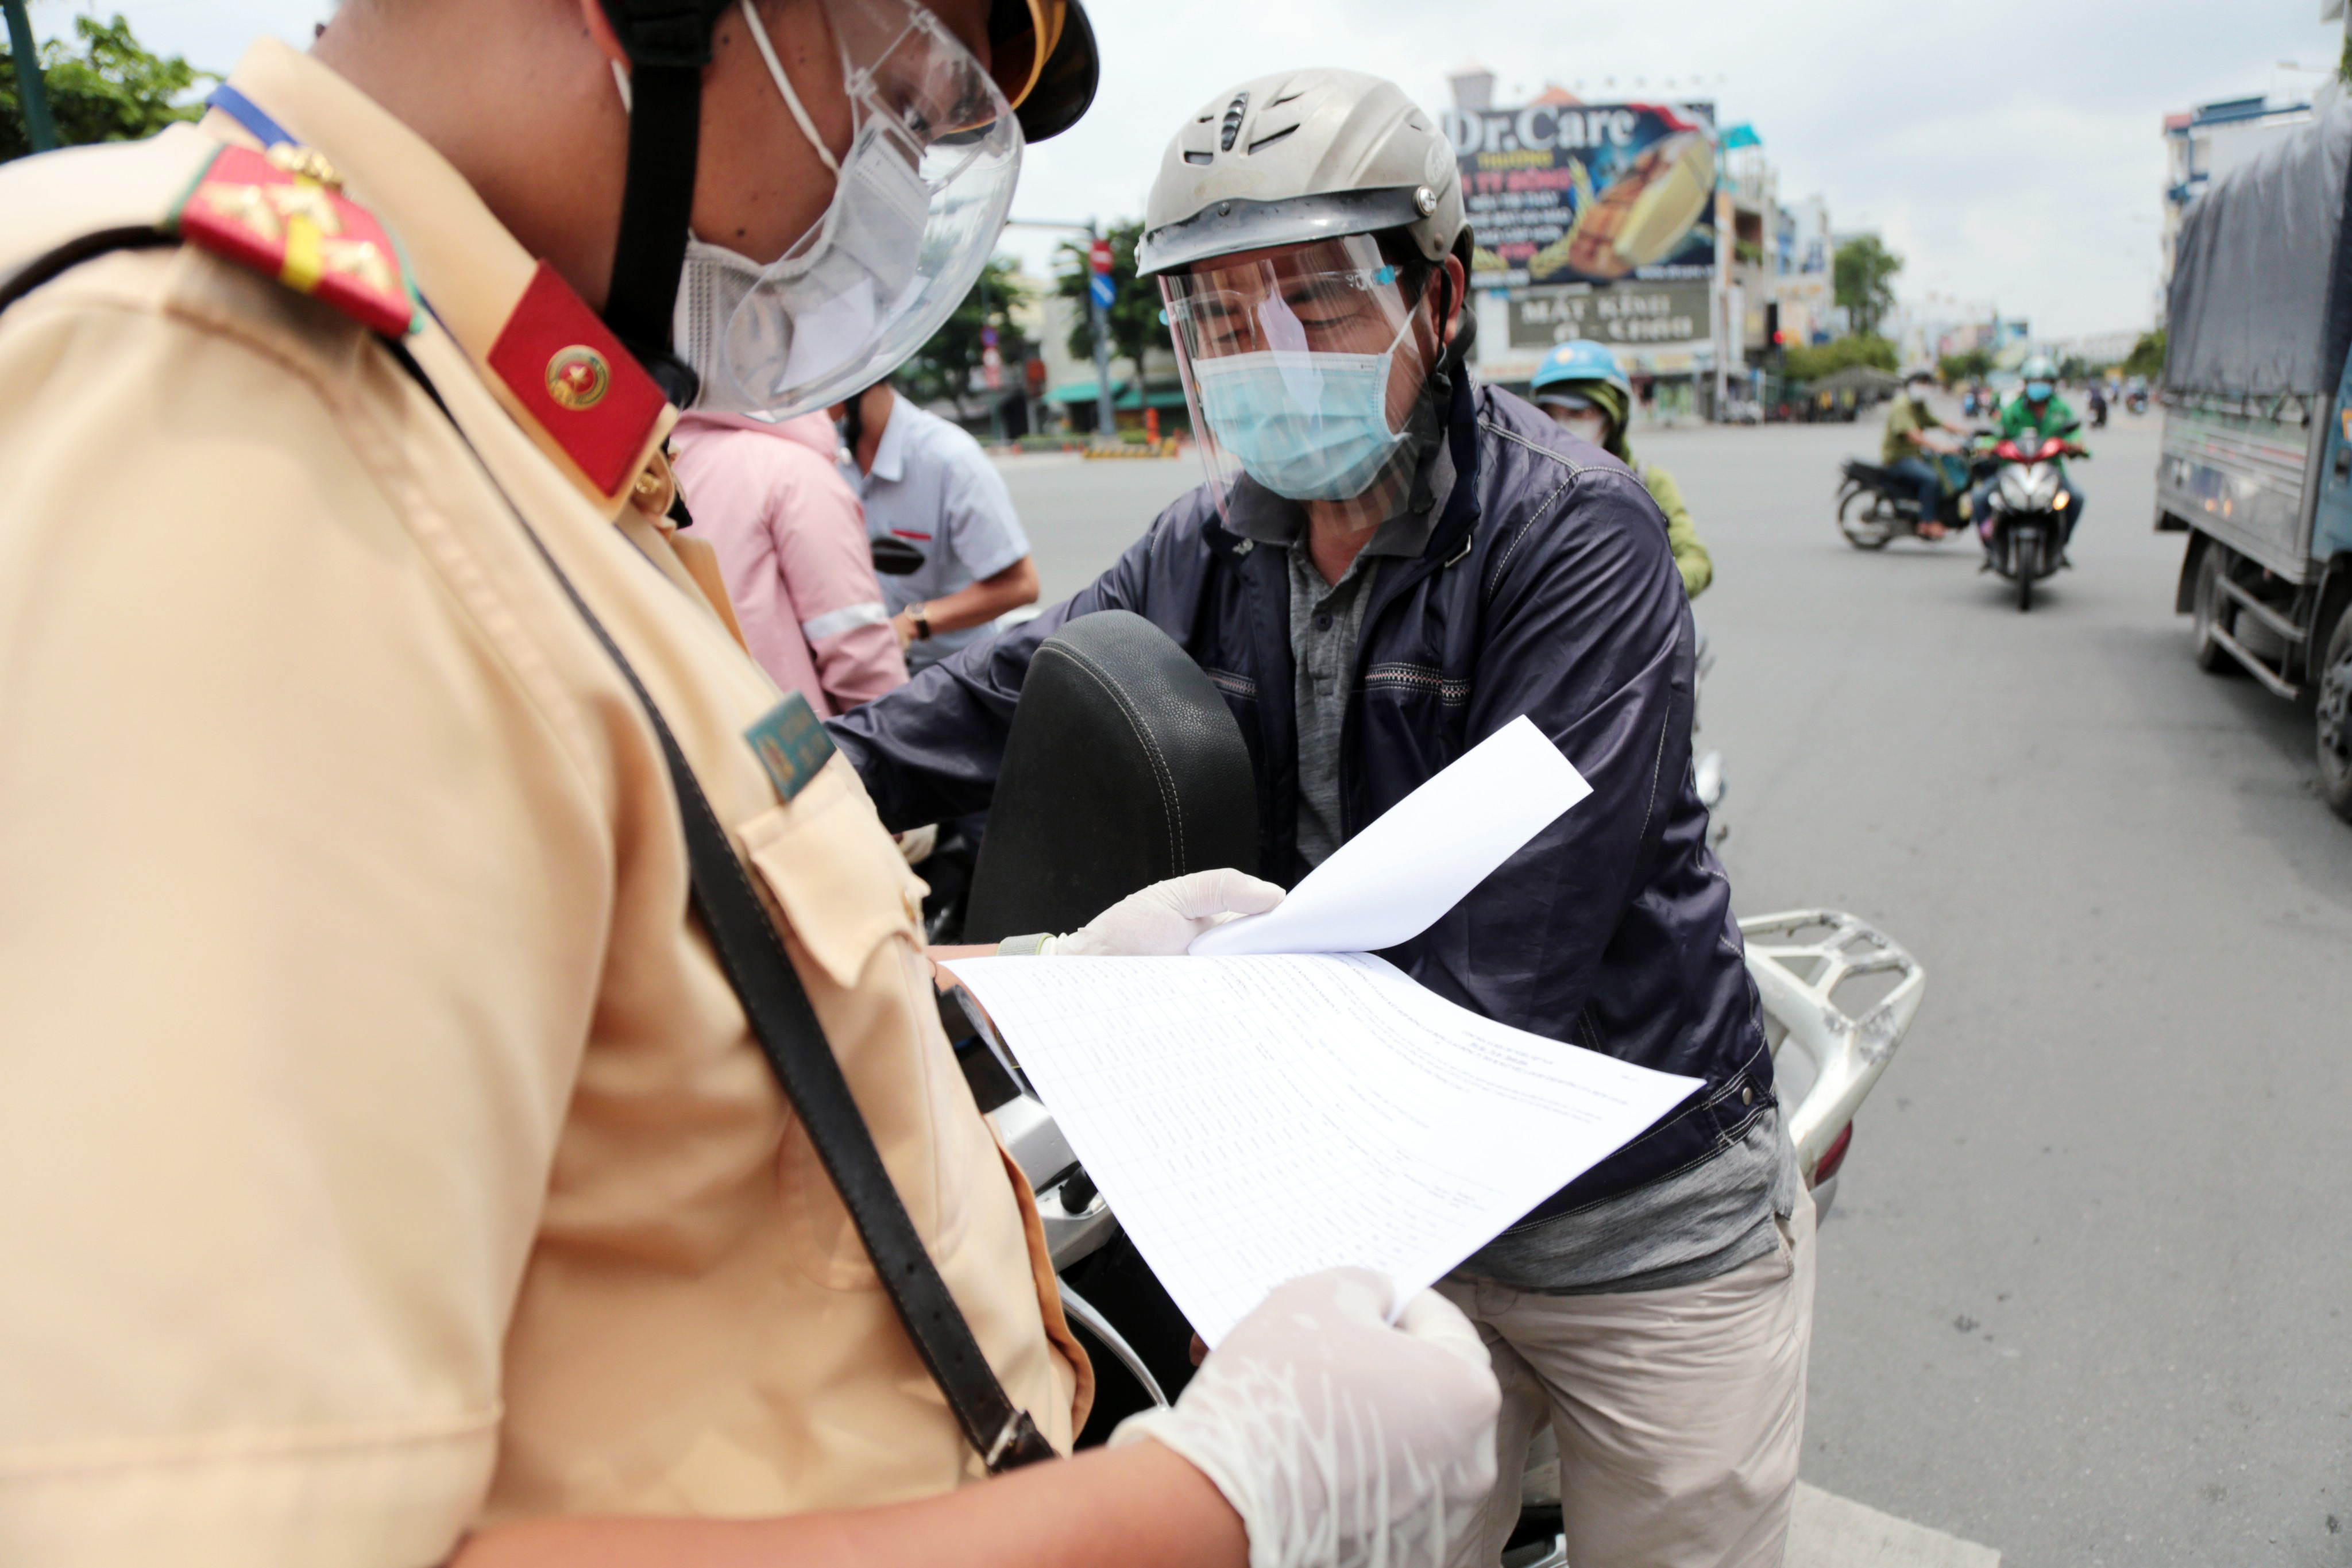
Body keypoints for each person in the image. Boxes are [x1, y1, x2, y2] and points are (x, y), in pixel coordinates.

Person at [0, 5, 1504, 1566]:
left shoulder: (497, 430)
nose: (893, 187)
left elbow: (646, 1008)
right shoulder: (234, 408)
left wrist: (1030, 986)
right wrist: (1202, 1503)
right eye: (898, 96)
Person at [832, 67, 1813, 1568]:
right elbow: (998, 701)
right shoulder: (1207, 542)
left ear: (1438, 297)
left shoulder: (1571, 538)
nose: (1262, 355)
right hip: (1383, 1226)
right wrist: (770, 801)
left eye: (1313, 301)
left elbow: (1509, 962)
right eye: (1218, 319)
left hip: (1634, 1227)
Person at [670, 409, 907, 714]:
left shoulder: (652, 470)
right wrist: (902, 738)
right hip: (797, 742)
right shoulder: (793, 470)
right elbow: (856, 648)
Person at [833, 378, 1040, 670]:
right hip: (868, 669)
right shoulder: (830, 456)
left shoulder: (951, 460)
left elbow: (1021, 584)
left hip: (955, 672)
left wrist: (911, 624)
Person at [1528, 338, 1712, 598]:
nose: (1565, 424)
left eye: (1583, 413)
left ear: (1613, 417)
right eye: (1554, 414)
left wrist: (1643, 595)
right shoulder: (1530, 488)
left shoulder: (1648, 481)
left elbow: (1696, 560)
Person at [1976, 352, 2090, 547]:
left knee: (2077, 499)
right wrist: (1986, 447)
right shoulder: (2012, 410)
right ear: (2026, 383)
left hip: (2051, 471)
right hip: (2012, 471)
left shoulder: (2061, 410)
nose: (2039, 386)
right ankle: (1992, 548)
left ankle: (2060, 543)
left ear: (2052, 384)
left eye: (2044, 381)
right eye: (2034, 381)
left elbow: (2074, 435)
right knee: (1979, 499)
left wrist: (2075, 445)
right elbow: (1995, 434)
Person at [1880, 369, 1964, 540]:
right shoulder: (1902, 406)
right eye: (1921, 384)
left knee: (1943, 471)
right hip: (1898, 459)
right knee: (1931, 479)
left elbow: (1937, 422)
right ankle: (1927, 522)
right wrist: (1940, 447)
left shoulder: (1917, 406)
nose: (1924, 388)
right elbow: (1913, 435)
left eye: (1927, 384)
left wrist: (1968, 432)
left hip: (1914, 456)